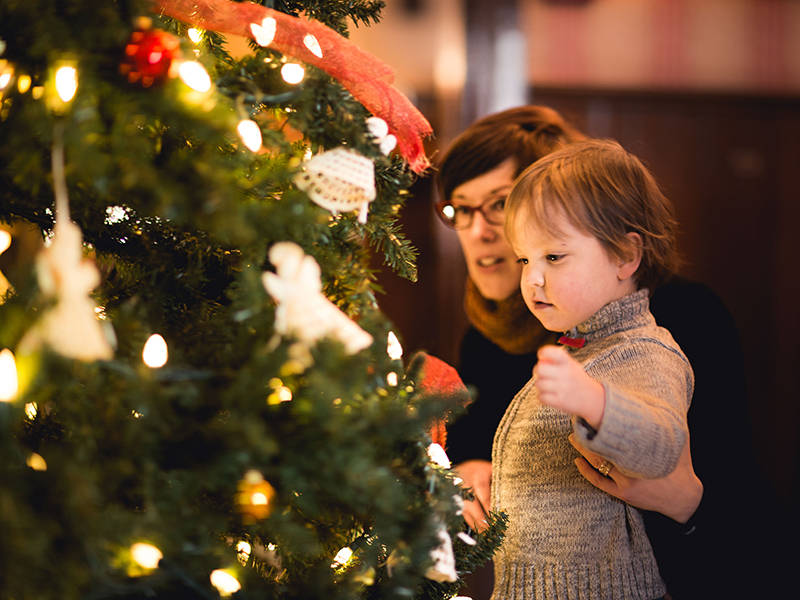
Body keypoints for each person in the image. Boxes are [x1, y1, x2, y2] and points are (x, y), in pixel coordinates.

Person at [436, 106, 786, 599]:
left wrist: (687, 502)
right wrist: (469, 465)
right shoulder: (486, 332)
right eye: (460, 209)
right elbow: (472, 434)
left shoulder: (673, 320)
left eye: (499, 203)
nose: (478, 231)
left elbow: (735, 492)